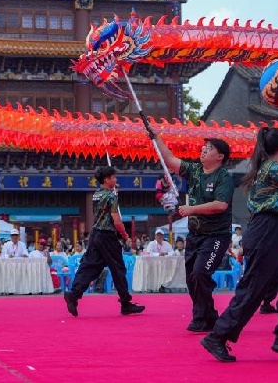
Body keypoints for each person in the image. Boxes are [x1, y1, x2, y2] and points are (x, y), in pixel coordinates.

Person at [200, 127, 278, 362]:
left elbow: (266, 208)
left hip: (271, 231)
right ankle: (218, 336)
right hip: (266, 232)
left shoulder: (265, 169)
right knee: (253, 289)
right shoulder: (273, 168)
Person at [156, 136, 235, 333]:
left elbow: (220, 205)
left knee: (200, 273)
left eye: (209, 148)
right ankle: (210, 317)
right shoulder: (195, 171)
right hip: (195, 236)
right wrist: (155, 138)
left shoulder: (224, 177)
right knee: (192, 278)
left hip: (216, 236)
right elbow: (171, 160)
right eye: (204, 147)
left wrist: (192, 209)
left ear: (220, 156)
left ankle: (201, 317)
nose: (203, 150)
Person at [64, 166, 144, 317]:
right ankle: (125, 303)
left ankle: (74, 294)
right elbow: (116, 220)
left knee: (90, 266)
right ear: (107, 179)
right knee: (118, 268)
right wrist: (124, 233)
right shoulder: (111, 197)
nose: (116, 179)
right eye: (113, 177)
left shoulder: (96, 195)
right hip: (107, 236)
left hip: (96, 235)